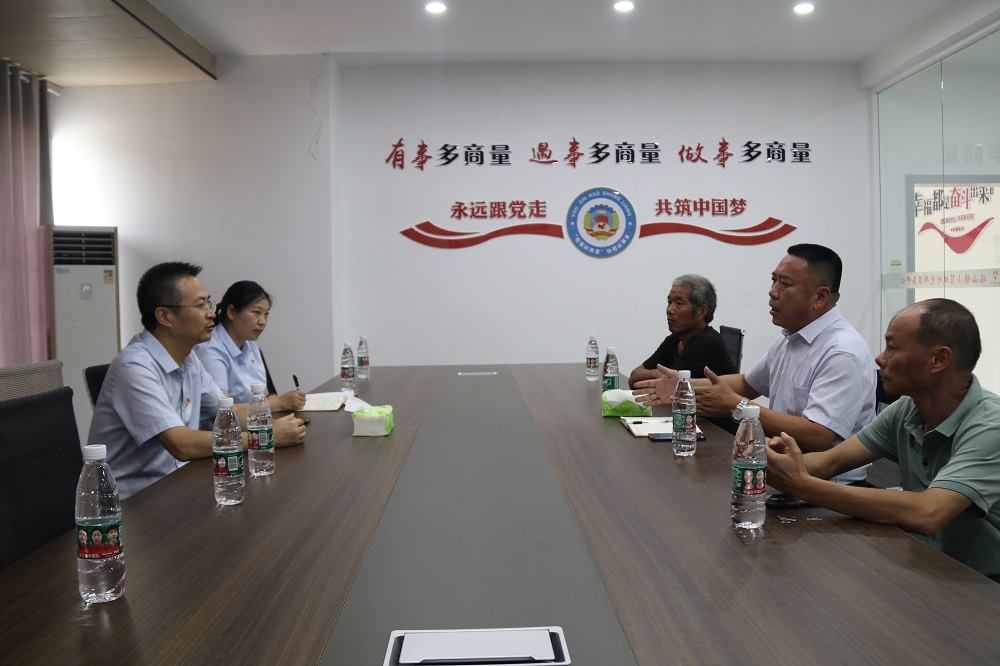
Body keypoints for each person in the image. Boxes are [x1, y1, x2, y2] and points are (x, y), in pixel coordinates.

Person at [766, 299, 1000, 580]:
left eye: (893, 347)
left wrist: (802, 484)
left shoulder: (990, 426)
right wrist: (777, 461)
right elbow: (830, 463)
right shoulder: (908, 409)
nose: (880, 358)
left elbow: (929, 513)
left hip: (982, 584)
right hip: (927, 564)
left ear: (938, 360)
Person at [635, 244, 875, 485]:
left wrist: (737, 406)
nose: (772, 291)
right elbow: (746, 383)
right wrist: (685, 386)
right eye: (773, 280)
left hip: (826, 488)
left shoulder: (842, 351)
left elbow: (818, 435)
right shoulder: (789, 338)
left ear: (820, 297)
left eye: (784, 284)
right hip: (778, 472)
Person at [88, 262, 307, 500]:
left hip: (180, 483)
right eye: (201, 305)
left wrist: (274, 426)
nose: (211, 313)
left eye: (209, 304)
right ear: (165, 316)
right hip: (133, 502)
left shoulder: (189, 360)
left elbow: (229, 411)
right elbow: (182, 445)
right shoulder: (135, 367)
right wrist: (264, 438)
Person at [195, 280, 306, 411]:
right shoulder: (210, 350)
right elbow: (222, 409)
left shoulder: (251, 346)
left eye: (266, 314)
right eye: (257, 312)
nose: (263, 321)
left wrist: (273, 399)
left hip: (256, 421)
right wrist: (278, 403)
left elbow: (264, 394)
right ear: (231, 312)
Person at [627, 273, 737, 388]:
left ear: (701, 311)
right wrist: (656, 373)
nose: (669, 310)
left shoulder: (705, 342)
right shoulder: (676, 339)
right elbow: (634, 378)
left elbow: (667, 386)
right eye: (669, 302)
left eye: (679, 303)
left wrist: (656, 375)